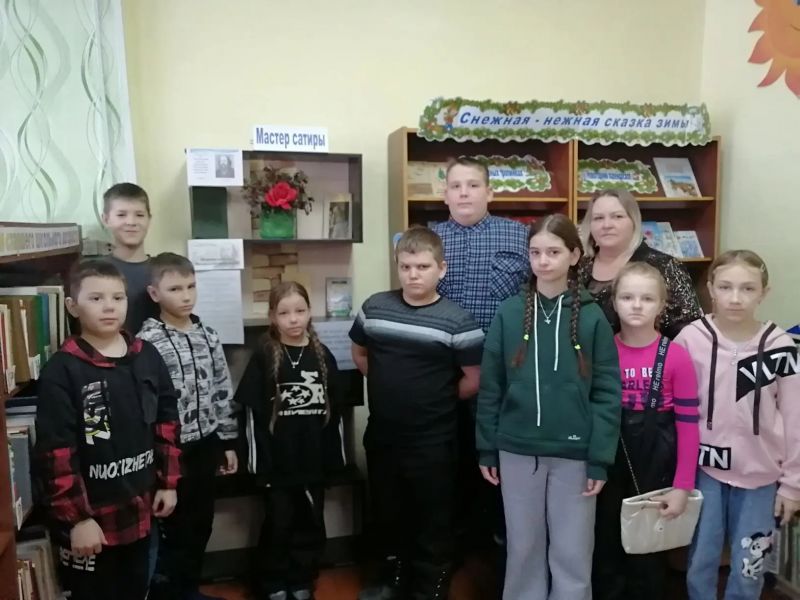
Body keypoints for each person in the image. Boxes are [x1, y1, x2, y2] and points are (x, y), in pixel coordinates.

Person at [476, 213, 621, 600]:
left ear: (574, 255)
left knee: (573, 553)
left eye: (553, 252)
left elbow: (607, 392)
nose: (543, 260)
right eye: (535, 252)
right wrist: (487, 446)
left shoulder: (593, 317)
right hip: (517, 451)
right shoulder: (509, 313)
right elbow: (491, 386)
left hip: (575, 455)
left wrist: (599, 458)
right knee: (523, 549)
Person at [34, 260, 181, 600]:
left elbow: (167, 422)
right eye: (96, 298)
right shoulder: (63, 370)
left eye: (117, 297)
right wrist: (77, 519)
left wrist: (168, 482)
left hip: (141, 508)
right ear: (73, 306)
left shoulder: (146, 356)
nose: (109, 306)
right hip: (92, 520)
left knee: (138, 587)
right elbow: (57, 452)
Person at [351, 226, 483, 600]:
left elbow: (475, 379)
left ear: (441, 269)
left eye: (423, 267)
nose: (413, 275)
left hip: (433, 440)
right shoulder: (374, 307)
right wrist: (391, 385)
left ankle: (431, 586)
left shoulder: (458, 320)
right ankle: (390, 579)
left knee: (433, 517)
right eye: (406, 267)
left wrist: (433, 397)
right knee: (387, 511)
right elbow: (359, 353)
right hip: (383, 434)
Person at [675, 250, 800, 600]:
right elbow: (678, 410)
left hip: (761, 476)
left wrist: (792, 485)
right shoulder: (691, 339)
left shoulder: (780, 346)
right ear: (710, 289)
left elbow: (795, 418)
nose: (735, 297)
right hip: (705, 472)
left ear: (764, 293)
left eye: (747, 288)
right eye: (726, 287)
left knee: (750, 564)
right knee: (701, 559)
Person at [431, 157, 528, 580]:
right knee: (448, 470)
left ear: (490, 191)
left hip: (501, 380)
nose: (464, 193)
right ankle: (448, 554)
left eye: (473, 185)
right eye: (456, 186)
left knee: (499, 471)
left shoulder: (519, 236)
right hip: (444, 378)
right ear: (445, 194)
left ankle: (502, 554)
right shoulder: (430, 240)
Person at [592, 262, 700, 600]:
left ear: (662, 304)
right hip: (609, 461)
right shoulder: (601, 351)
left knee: (648, 556)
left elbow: (688, 425)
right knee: (605, 545)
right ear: (614, 302)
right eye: (627, 297)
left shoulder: (677, 356)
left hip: (656, 464)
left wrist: (682, 486)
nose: (636, 305)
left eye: (647, 298)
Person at [137, 253, 239, 600]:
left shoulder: (208, 335)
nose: (186, 296)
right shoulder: (147, 341)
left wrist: (227, 440)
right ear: (154, 293)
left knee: (201, 522)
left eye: (191, 286)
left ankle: (190, 589)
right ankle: (170, 593)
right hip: (170, 450)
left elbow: (222, 388)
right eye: (175, 289)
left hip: (205, 444)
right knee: (174, 527)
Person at [235, 281, 344, 600]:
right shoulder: (264, 356)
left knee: (310, 522)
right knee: (279, 523)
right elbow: (252, 415)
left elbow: (335, 415)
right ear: (272, 317)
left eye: (300, 311)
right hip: (277, 465)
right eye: (284, 313)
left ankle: (301, 579)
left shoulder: (322, 356)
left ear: (310, 312)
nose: (293, 319)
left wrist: (332, 461)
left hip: (312, 463)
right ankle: (273, 583)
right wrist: (259, 466)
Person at [576, 188, 702, 338]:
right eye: (598, 218)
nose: (607, 225)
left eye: (617, 216)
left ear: (634, 222)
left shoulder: (665, 266)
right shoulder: (578, 266)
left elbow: (688, 332)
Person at [102, 182, 158, 334]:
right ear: (106, 219)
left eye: (139, 215)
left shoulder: (164, 270)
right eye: (121, 215)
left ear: (149, 219)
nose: (131, 222)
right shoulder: (96, 272)